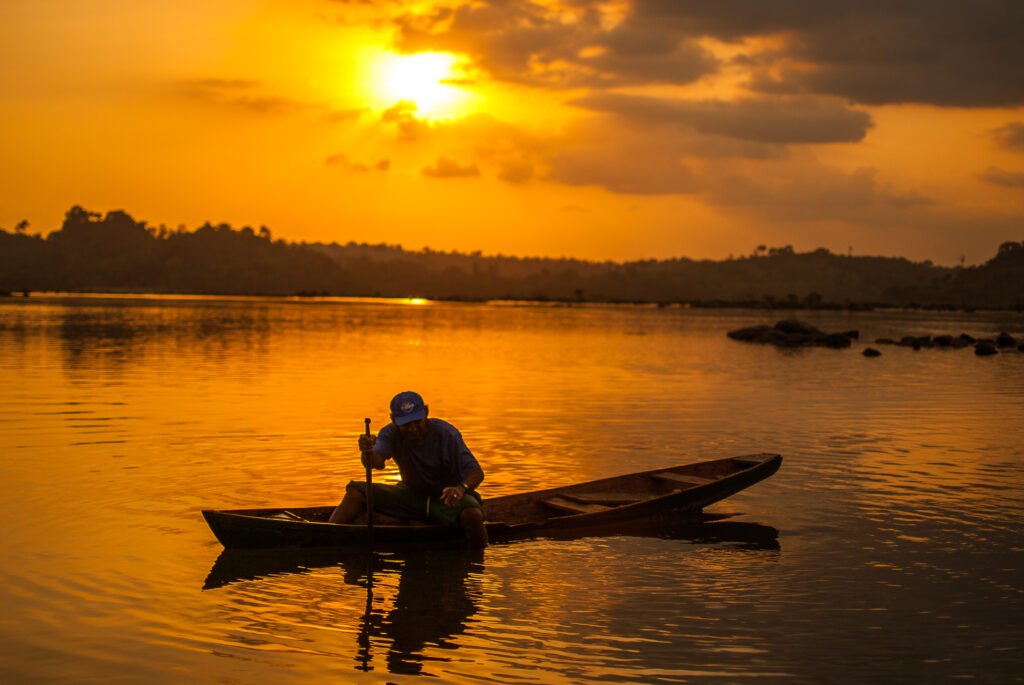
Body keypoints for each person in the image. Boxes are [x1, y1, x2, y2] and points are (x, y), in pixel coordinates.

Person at [329, 391, 488, 547]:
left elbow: (476, 473)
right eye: (405, 424)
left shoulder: (446, 433)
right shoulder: (390, 433)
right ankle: (326, 533)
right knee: (355, 492)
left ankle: (478, 564)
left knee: (472, 515)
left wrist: (461, 488)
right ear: (394, 420)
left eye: (416, 422)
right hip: (410, 495)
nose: (412, 429)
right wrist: (367, 451)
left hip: (446, 499)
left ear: (426, 413)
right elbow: (375, 463)